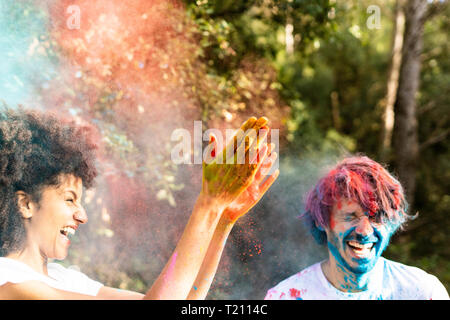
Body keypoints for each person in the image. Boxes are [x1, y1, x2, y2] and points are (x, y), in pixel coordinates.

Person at [0, 107, 279, 299]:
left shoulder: (67, 280)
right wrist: (208, 204)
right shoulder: (8, 282)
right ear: (25, 204)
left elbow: (182, 298)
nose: (82, 216)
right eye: (69, 199)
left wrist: (222, 219)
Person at [265, 156, 449, 300]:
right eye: (351, 216)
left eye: (376, 218)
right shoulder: (286, 296)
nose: (365, 231)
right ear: (322, 221)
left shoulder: (422, 292)